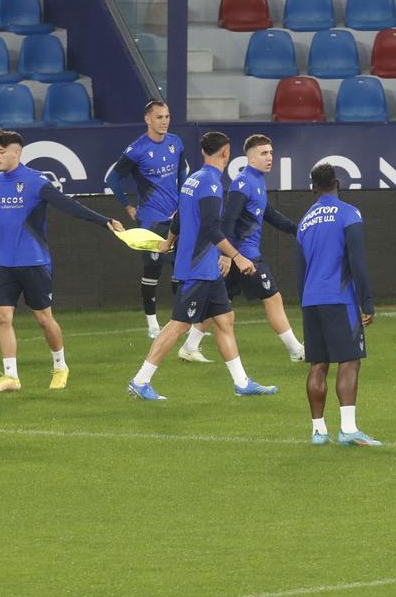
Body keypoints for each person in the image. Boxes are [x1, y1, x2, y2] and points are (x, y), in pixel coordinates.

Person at [127, 132, 278, 401]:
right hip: (198, 269)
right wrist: (237, 257)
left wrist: (168, 242)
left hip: (205, 270)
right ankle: (140, 380)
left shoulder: (193, 179)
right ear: (226, 153)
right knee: (178, 325)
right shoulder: (211, 183)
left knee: (224, 320)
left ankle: (242, 382)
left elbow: (179, 216)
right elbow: (210, 227)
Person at [0, 131, 126, 393]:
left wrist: (104, 221)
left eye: (1, 152)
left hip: (34, 261)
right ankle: (10, 377)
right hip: (4, 262)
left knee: (43, 318)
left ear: (16, 152)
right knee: (2, 317)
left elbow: (69, 205)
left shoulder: (36, 181)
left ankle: (60, 365)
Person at [107, 99, 209, 361]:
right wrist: (127, 206)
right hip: (151, 219)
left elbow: (183, 172)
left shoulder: (175, 142)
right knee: (152, 268)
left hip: (176, 216)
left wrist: (184, 201)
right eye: (159, 117)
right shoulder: (137, 149)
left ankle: (182, 321)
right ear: (148, 119)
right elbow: (112, 179)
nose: (165, 121)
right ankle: (152, 323)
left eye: (167, 116)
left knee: (182, 267)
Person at [296, 164, 381, 446]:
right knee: (349, 360)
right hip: (338, 297)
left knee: (318, 364)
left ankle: (318, 431)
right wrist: (366, 301)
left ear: (313, 188)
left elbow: (300, 269)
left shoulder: (305, 221)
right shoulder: (348, 213)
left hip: (311, 300)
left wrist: (304, 301)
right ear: (337, 183)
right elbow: (357, 261)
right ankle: (348, 429)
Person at [220, 134, 305, 362]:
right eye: (263, 153)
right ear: (250, 158)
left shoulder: (257, 180)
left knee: (217, 305)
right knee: (273, 297)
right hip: (245, 256)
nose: (269, 158)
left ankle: (190, 346)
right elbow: (227, 221)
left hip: (239, 256)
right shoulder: (243, 183)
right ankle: (296, 350)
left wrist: (297, 229)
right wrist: (227, 256)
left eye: (270, 153)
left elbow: (269, 214)